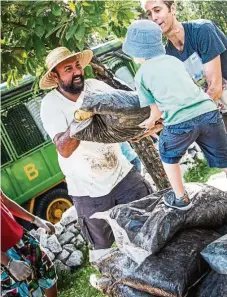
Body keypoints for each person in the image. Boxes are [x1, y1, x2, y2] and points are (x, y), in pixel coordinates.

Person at [39, 47, 152, 249]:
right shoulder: (50, 105)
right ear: (55, 78)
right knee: (103, 246)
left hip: (122, 174)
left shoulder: (95, 86)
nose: (77, 72)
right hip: (87, 190)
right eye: (68, 69)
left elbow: (126, 109)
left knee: (150, 222)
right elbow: (64, 149)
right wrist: (80, 118)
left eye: (77, 66)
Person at [122, 20, 227, 210]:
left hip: (180, 124)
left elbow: (156, 111)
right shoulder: (173, 61)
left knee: (167, 154)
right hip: (209, 112)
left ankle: (181, 198)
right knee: (224, 156)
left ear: (137, 52)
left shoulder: (141, 75)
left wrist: (149, 123)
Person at [143, 0, 227, 125]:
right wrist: (157, 124)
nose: (154, 18)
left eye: (157, 10)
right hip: (217, 110)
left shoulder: (203, 30)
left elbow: (215, 88)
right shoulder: (167, 57)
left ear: (172, 9)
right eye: (149, 14)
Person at [0, 190, 57, 297]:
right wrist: (7, 262)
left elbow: (6, 202)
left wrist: (36, 220)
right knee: (24, 291)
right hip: (4, 255)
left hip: (21, 238)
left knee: (46, 272)